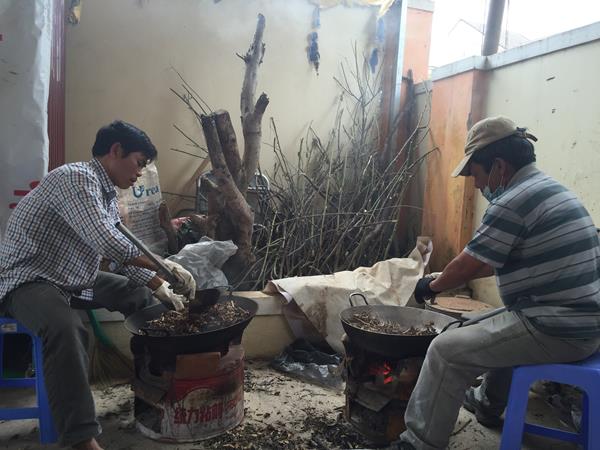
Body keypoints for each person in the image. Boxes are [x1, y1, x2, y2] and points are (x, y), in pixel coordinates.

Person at [393, 116, 600, 450]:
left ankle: (418, 443)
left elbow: (470, 264)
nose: (477, 185)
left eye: (476, 174)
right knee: (478, 324)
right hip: (577, 322)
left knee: (445, 350)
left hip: (558, 328)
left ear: (499, 167)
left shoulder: (514, 200)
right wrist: (443, 279)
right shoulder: (549, 188)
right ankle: (486, 404)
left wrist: (430, 287)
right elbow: (491, 261)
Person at [0, 120, 196, 450]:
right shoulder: (76, 178)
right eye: (138, 162)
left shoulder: (105, 195)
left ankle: (158, 385)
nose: (139, 173)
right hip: (29, 279)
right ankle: (81, 439)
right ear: (116, 151)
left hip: (72, 278)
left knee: (140, 296)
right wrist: (164, 266)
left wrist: (157, 284)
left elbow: (119, 257)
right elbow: (106, 241)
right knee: (66, 327)